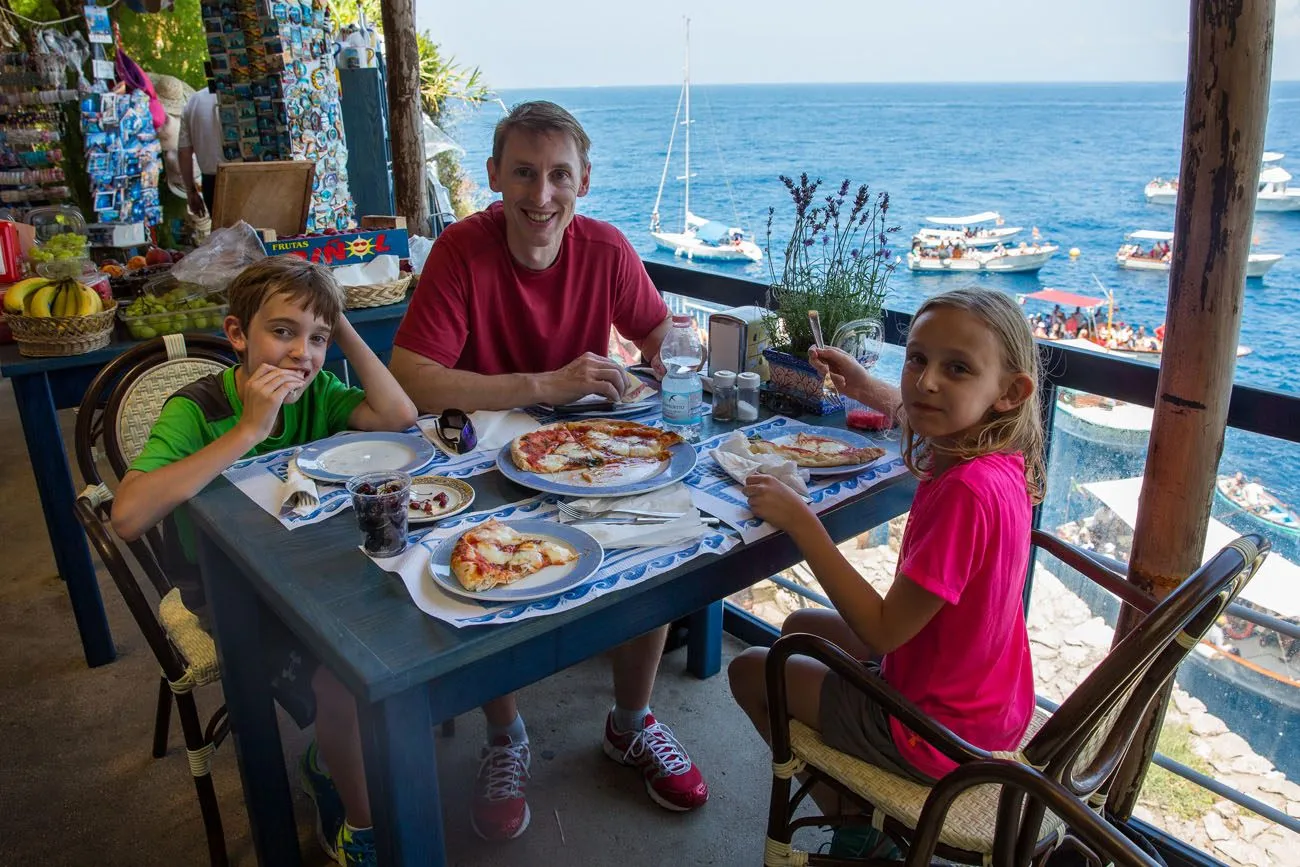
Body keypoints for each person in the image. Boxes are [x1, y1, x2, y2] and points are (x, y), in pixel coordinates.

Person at [388, 100, 705, 842]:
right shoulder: (460, 251)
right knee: (476, 571)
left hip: (585, 453)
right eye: (523, 173)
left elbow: (660, 333)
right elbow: (412, 378)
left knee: (663, 538)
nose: (541, 195)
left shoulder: (608, 248)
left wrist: (674, 360)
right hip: (483, 453)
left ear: (585, 181)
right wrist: (546, 383)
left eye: (558, 175)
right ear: (493, 176)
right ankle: (507, 737)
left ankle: (631, 723)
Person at [112, 257, 418, 867]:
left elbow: (399, 418)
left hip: (313, 571)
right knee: (345, 681)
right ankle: (361, 829)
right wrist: (249, 431)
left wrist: (340, 328)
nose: (302, 353)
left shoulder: (321, 390)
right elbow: (127, 516)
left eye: (317, 339)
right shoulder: (195, 409)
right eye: (282, 332)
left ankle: (334, 756)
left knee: (404, 632)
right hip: (228, 593)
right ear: (236, 335)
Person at [727, 287, 1042, 857]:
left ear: (1010, 392)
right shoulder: (990, 459)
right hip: (986, 697)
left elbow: (881, 631)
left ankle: (860, 840)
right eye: (917, 358)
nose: (926, 382)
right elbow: (917, 408)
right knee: (799, 623)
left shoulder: (964, 493)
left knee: (752, 671)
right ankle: (860, 820)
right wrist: (863, 386)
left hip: (937, 733)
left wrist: (802, 522)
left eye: (958, 368)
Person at [178, 86, 222, 217]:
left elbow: (184, 153)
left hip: (213, 181)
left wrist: (191, 192)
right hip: (252, 175)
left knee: (222, 233)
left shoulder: (195, 100)